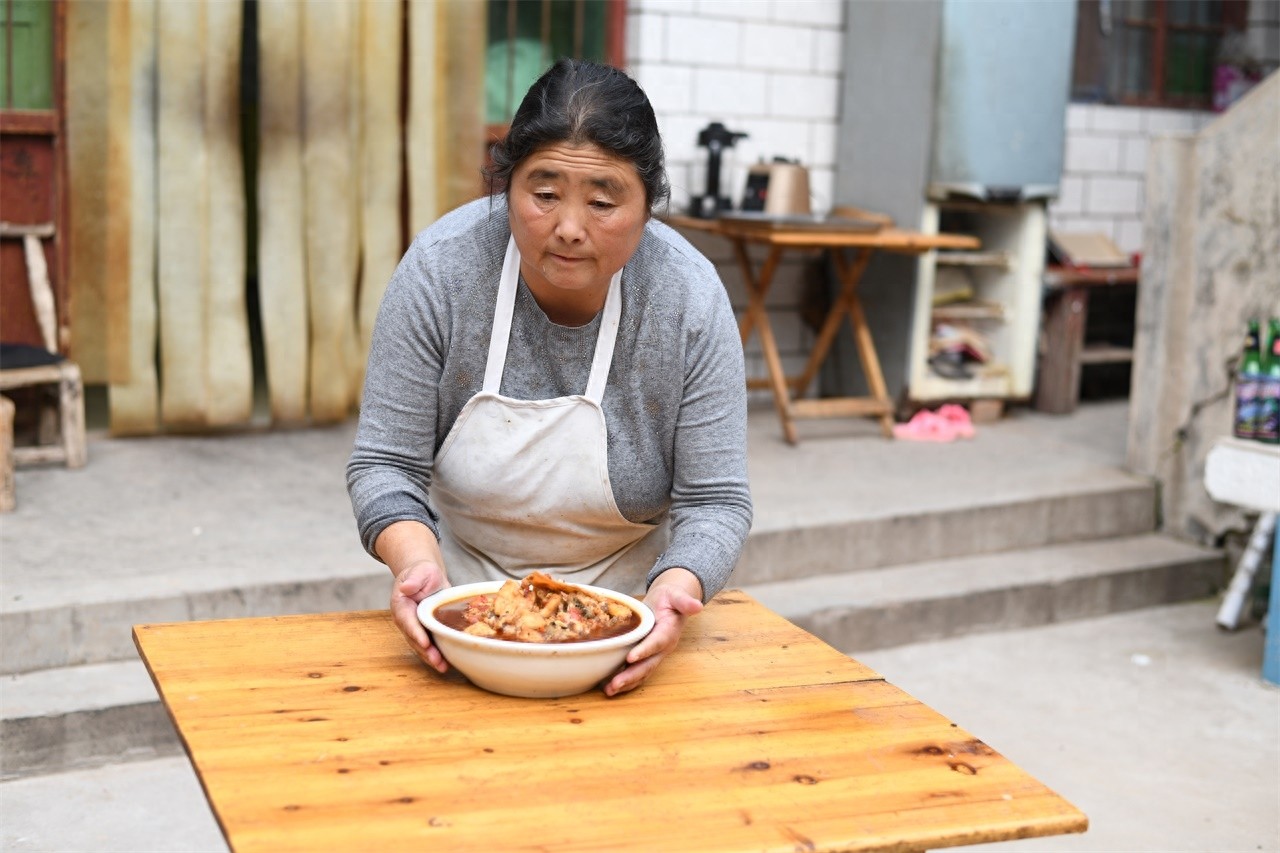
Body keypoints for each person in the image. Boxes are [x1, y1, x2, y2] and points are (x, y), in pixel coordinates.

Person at [346, 59, 752, 697]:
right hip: (461, 613)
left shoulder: (688, 300)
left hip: (629, 619)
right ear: (505, 187)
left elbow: (716, 503)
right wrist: (417, 568)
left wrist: (677, 590)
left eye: (602, 201)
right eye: (543, 193)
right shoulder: (440, 272)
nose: (568, 227)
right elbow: (384, 464)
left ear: (648, 206)